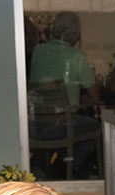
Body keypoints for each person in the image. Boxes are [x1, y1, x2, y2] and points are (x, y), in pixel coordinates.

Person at [28, 11, 100, 178]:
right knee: (97, 126)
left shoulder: (38, 52)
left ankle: (52, 165)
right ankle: (65, 166)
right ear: (76, 34)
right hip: (63, 125)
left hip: (36, 124)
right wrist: (81, 99)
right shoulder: (77, 57)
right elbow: (96, 98)